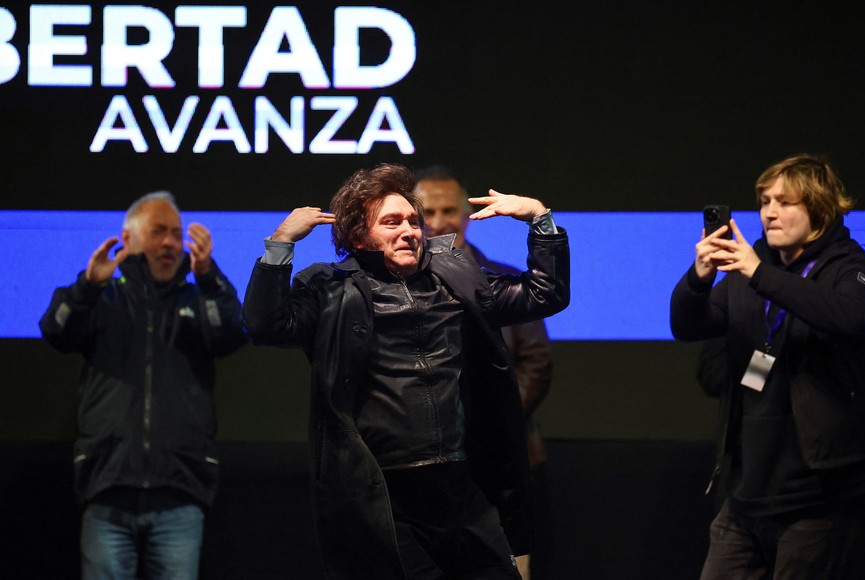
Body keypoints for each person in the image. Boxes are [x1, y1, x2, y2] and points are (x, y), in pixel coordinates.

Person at [242, 163, 570, 579]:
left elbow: (546, 294)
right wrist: (281, 243)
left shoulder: (457, 277)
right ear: (359, 236)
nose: (410, 231)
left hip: (460, 484)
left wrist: (540, 219)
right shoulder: (329, 288)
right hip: (384, 496)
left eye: (413, 221)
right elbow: (264, 325)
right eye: (392, 222)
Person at [670, 154, 865, 578]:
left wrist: (759, 273)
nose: (769, 212)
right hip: (746, 494)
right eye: (764, 201)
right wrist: (698, 278)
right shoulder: (751, 265)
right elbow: (687, 326)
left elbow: (850, 317)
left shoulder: (847, 266)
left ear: (818, 207)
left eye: (785, 201)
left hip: (815, 502)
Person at [39, 191, 248, 579]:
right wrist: (87, 286)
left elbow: (231, 334)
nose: (170, 242)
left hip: (180, 493)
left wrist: (209, 278)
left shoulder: (199, 297)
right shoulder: (102, 298)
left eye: (175, 233)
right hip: (108, 487)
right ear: (129, 237)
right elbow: (56, 331)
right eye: (158, 232)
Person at [414, 165, 554, 580]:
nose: (439, 223)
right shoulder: (395, 287)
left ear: (467, 214)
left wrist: (490, 419)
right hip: (425, 466)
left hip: (504, 460)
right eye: (428, 213)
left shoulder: (502, 281)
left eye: (449, 211)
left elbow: (537, 363)